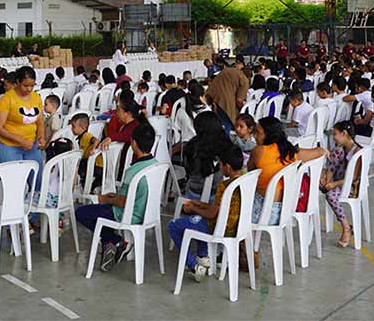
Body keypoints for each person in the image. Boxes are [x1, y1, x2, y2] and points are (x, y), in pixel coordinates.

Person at [75, 119, 157, 271]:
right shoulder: (155, 164)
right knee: (102, 208)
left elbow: (122, 202)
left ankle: (113, 240)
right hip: (147, 213)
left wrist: (104, 199)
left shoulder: (133, 171)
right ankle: (112, 242)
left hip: (126, 215)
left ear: (133, 143)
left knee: (82, 212)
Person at [168, 144, 246, 282]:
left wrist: (193, 208)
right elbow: (219, 207)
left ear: (227, 167)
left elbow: (211, 214)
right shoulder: (245, 180)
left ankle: (193, 265)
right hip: (235, 226)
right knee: (197, 219)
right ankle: (203, 257)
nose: (220, 168)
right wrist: (200, 204)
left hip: (217, 227)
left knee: (174, 225)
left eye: (220, 165)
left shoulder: (224, 186)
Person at [248, 117, 327, 226]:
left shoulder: (258, 151)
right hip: (285, 210)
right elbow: (320, 152)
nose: (254, 136)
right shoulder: (290, 151)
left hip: (262, 213)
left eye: (258, 132)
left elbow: (250, 174)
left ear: (269, 134)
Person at [0, 66, 45, 189]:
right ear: (17, 82)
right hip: (10, 146)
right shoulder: (6, 99)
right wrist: (21, 141)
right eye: (25, 86)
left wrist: (41, 137)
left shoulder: (36, 97)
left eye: (32, 86)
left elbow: (40, 121)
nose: (29, 89)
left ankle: (34, 201)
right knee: (15, 184)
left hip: (31, 145)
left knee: (37, 180)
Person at [320, 120, 363, 247]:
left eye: (335, 134)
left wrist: (334, 184)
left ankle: (346, 227)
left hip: (351, 186)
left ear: (344, 133)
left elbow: (353, 177)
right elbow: (332, 167)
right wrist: (327, 180)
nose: (333, 137)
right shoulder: (339, 149)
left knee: (331, 195)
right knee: (313, 183)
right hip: (337, 182)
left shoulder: (357, 152)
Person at [204, 58, 249, 126]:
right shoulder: (245, 80)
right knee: (227, 121)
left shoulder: (230, 70)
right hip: (225, 101)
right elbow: (239, 100)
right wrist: (243, 110)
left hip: (212, 94)